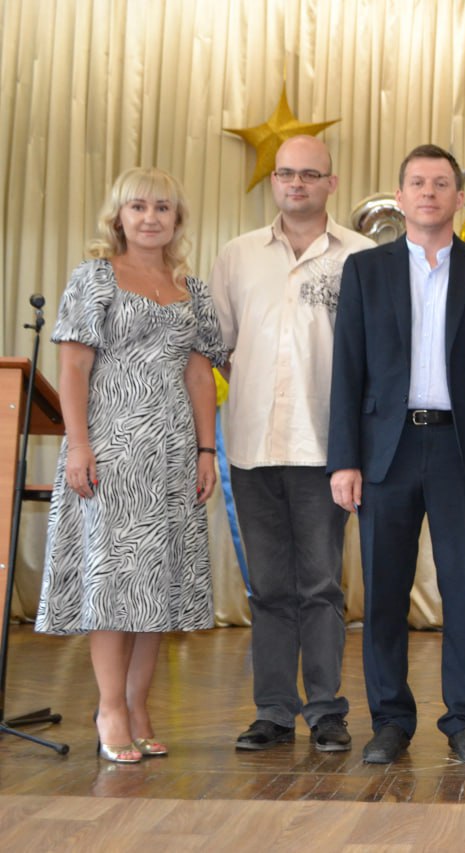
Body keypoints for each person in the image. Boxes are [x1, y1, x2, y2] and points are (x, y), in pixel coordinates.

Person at [35, 167, 225, 763]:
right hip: (111, 449)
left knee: (156, 585)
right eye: (138, 206)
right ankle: (110, 709)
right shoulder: (94, 277)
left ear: (177, 219)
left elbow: (200, 375)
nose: (150, 217)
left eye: (162, 207)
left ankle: (139, 708)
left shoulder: (192, 290)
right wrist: (79, 445)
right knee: (115, 582)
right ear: (118, 216)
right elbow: (73, 368)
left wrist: (207, 450)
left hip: (172, 452)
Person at [328, 144, 465, 764]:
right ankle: (390, 720)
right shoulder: (365, 270)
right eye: (417, 183)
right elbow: (347, 369)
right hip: (387, 452)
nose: (428, 193)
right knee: (383, 592)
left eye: (440, 183)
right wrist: (344, 460)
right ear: (400, 197)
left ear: (460, 197)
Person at [210, 135, 374, 753]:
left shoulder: (361, 256)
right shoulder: (238, 255)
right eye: (286, 174)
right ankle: (274, 711)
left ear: (332, 183)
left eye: (309, 174)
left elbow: (372, 358)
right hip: (251, 447)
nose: (296, 184)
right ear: (273, 181)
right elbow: (219, 346)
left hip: (326, 450)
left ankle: (326, 711)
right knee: (269, 588)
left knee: (322, 586)